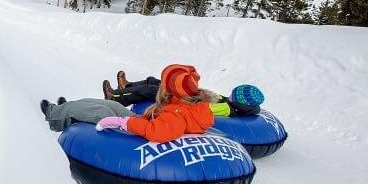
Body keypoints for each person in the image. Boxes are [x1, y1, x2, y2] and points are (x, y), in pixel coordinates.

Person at [41, 64, 216, 144]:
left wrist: (123, 122)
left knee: (100, 111)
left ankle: (54, 115)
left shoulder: (177, 112)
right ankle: (69, 107)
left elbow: (159, 131)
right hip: (144, 121)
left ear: (171, 89)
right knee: (113, 106)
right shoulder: (187, 101)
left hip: (141, 131)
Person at [103, 72, 264, 117]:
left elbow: (201, 109)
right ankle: (126, 86)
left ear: (239, 102)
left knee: (151, 90)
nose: (230, 95)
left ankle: (115, 97)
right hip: (189, 97)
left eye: (233, 95)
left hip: (181, 103)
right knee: (156, 81)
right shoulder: (229, 102)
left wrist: (185, 96)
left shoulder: (226, 108)